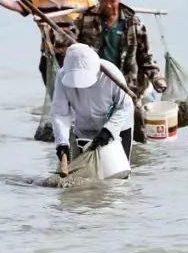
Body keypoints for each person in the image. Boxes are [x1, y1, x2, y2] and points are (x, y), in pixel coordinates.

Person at [75, 0, 166, 140]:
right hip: (97, 85)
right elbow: (68, 44)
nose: (108, 5)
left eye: (112, 1)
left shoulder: (133, 23)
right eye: (104, 0)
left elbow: (145, 57)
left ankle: (138, 162)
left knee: (137, 130)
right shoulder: (86, 18)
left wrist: (157, 78)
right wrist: (48, 30)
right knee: (97, 131)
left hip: (127, 86)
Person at [52, 44, 135, 177]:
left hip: (117, 128)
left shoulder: (111, 74)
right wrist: (62, 143)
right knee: (85, 179)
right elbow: (60, 113)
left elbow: (125, 106)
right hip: (83, 129)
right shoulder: (62, 77)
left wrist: (109, 131)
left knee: (117, 176)